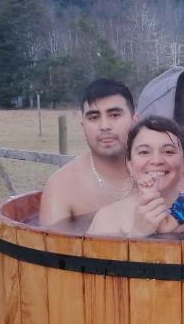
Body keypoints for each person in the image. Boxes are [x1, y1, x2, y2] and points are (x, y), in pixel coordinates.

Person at [38, 79, 138, 226]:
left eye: (115, 115)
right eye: (94, 117)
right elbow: (49, 247)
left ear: (135, 121)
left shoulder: (160, 172)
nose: (104, 126)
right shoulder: (62, 186)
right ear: (83, 127)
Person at [87, 116, 184, 237]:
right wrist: (137, 234)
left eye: (168, 151)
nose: (156, 161)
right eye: (144, 152)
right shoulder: (108, 217)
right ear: (129, 164)